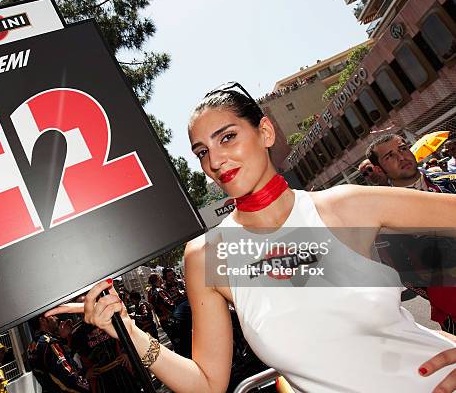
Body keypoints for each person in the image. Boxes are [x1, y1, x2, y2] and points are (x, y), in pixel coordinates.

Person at [47, 82, 456, 393]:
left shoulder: (345, 207)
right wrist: (130, 333)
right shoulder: (208, 255)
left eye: (227, 137)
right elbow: (207, 383)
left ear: (265, 132)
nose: (216, 159)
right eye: (202, 151)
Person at [367, 134, 456, 334]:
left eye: (403, 149)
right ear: (380, 169)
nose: (401, 157)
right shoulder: (383, 218)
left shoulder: (450, 182)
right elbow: (403, 272)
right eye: (390, 156)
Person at [27, 315, 89, 392]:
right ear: (42, 320)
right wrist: (85, 380)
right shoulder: (49, 343)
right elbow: (68, 374)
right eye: (52, 316)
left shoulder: (32, 346)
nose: (56, 318)